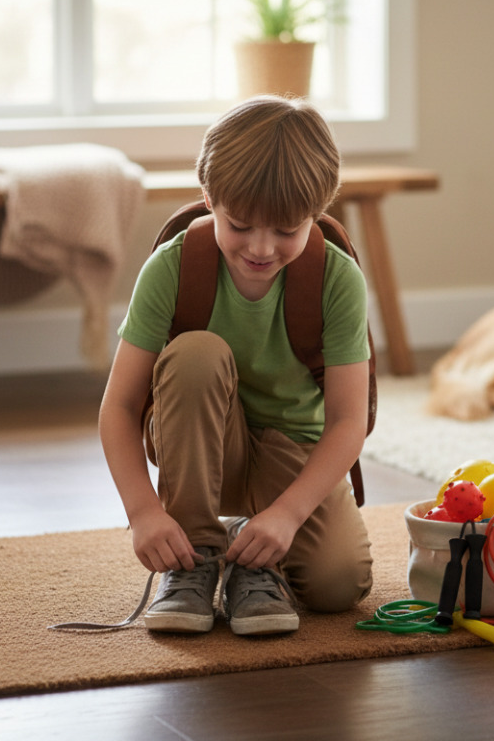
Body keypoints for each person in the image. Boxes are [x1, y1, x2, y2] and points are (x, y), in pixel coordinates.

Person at [98, 95, 374, 636]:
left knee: (338, 586)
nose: (262, 248)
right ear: (209, 198)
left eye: (286, 230)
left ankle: (252, 549)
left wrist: (288, 515)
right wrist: (144, 513)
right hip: (202, 447)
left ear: (316, 213)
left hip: (294, 449)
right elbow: (120, 406)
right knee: (196, 353)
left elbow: (348, 421)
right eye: (241, 225)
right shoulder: (172, 267)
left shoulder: (337, 280)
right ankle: (198, 555)